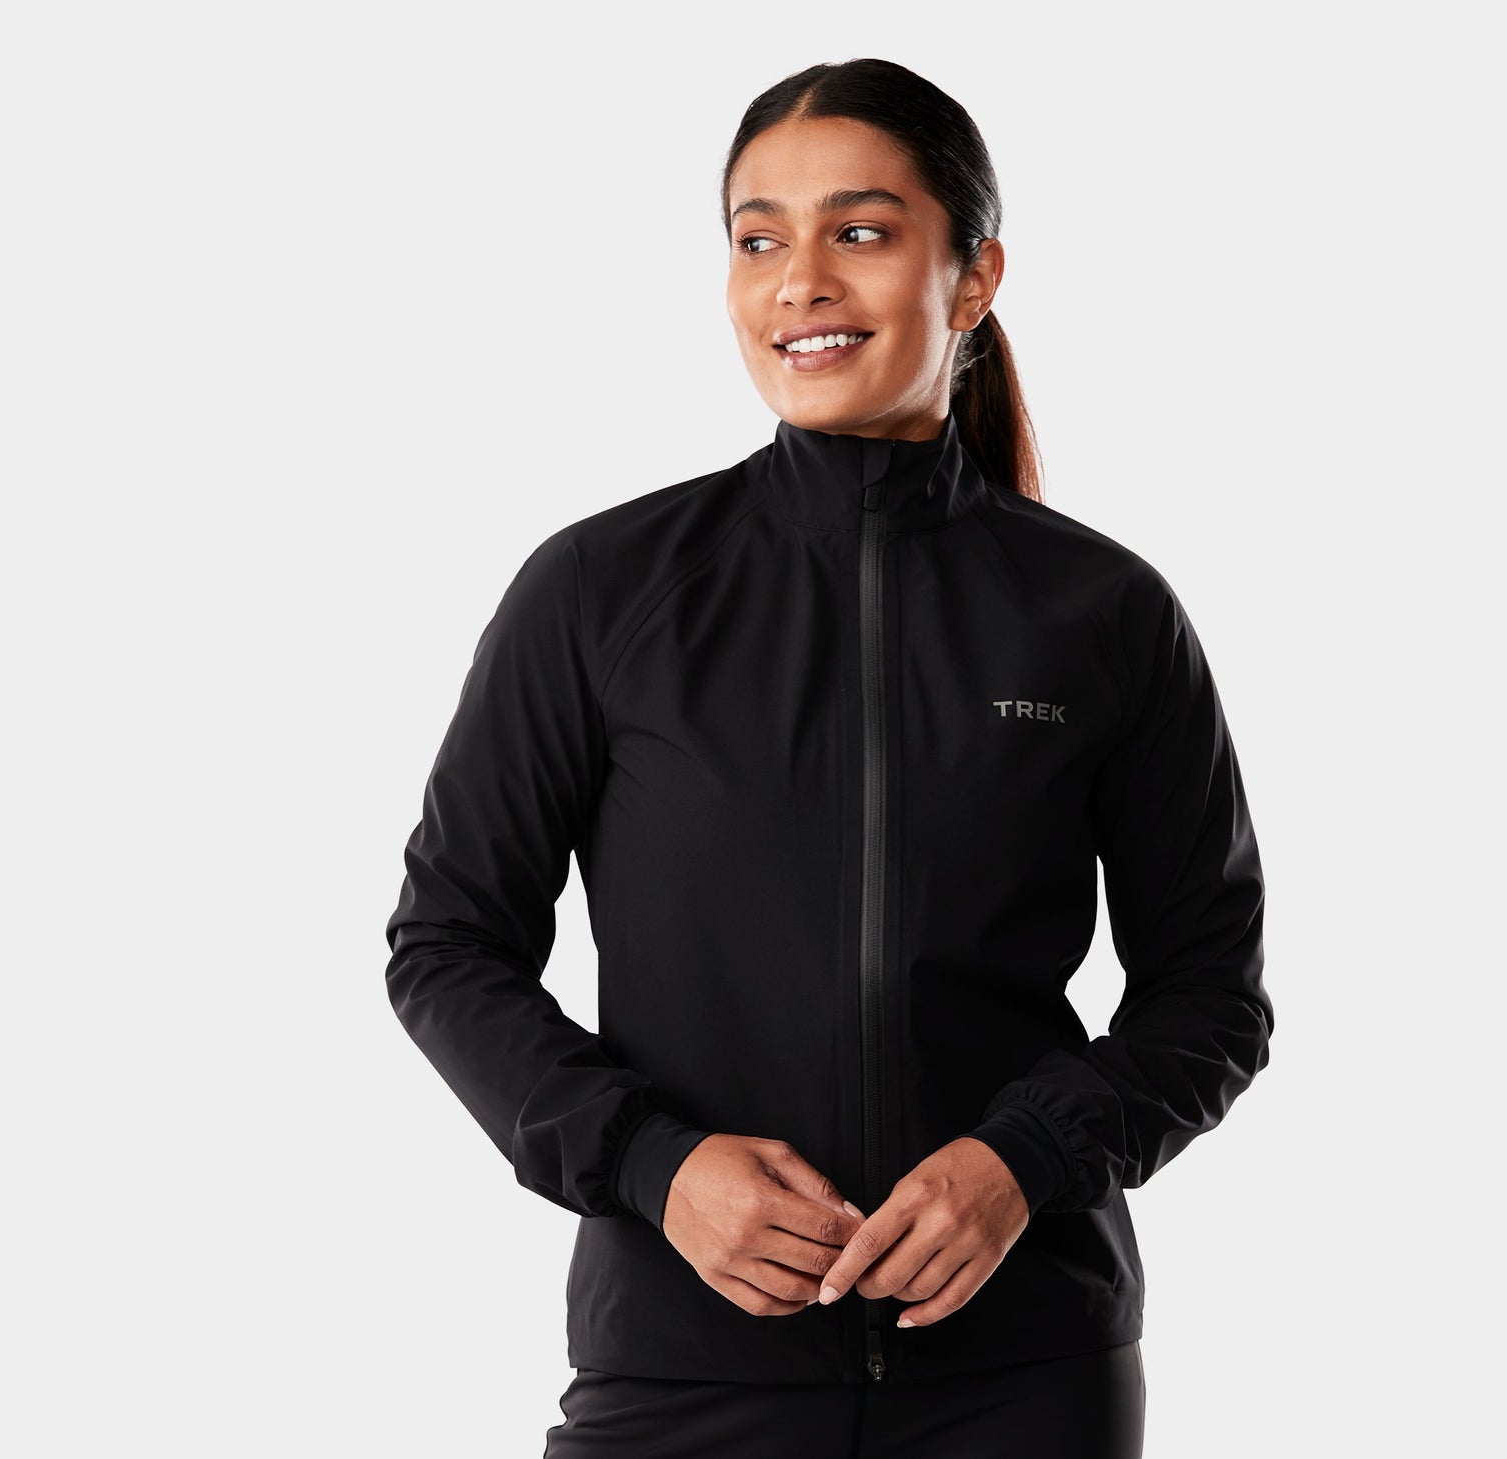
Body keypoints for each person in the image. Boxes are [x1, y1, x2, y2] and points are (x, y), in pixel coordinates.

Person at [384, 57, 1273, 1459]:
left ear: (973, 278)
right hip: (681, 1371)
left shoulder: (1102, 612)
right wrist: (654, 1165)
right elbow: (447, 945)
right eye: (758, 240)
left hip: (1024, 1377)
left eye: (859, 231)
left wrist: (1023, 1163)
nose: (799, 282)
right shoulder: (601, 591)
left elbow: (1210, 997)